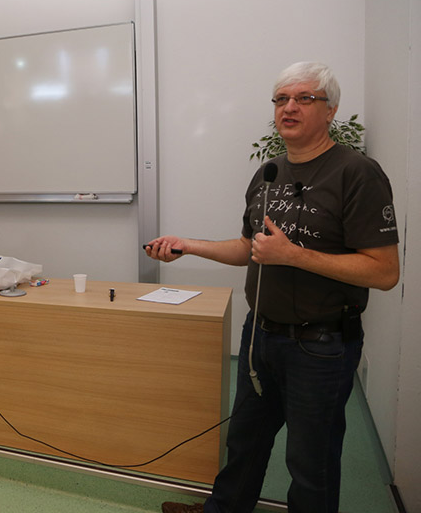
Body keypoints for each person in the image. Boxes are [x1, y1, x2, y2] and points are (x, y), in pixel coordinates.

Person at [147, 62, 400, 513]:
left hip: (321, 345)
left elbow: (384, 272)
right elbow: (251, 248)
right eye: (282, 99)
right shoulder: (269, 173)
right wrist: (189, 245)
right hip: (261, 335)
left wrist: (295, 255)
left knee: (310, 461)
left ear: (331, 110)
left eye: (305, 98)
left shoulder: (357, 173)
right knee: (245, 440)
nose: (289, 107)